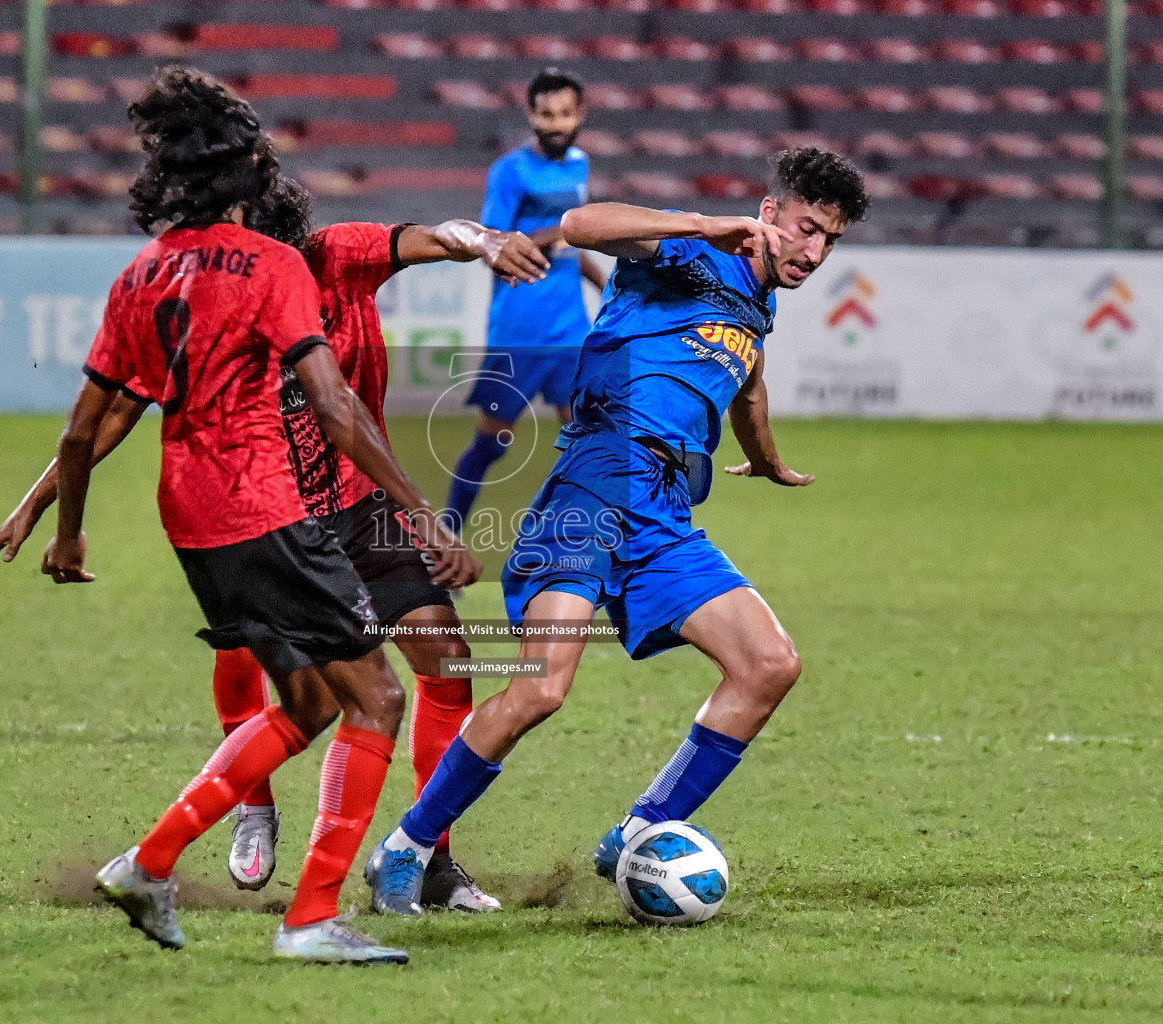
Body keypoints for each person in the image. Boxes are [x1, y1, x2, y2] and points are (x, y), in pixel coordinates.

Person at [0, 175, 549, 914]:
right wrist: (37, 503)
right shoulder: (222, 297)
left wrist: (489, 240)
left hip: (362, 505)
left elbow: (439, 234)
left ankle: (429, 857)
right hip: (268, 518)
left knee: (443, 665)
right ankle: (257, 815)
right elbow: (108, 416)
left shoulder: (339, 256)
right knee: (288, 687)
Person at [31, 66, 477, 964]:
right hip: (268, 510)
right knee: (379, 698)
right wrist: (421, 515)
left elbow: (84, 432)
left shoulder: (142, 277)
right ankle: (312, 919)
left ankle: (149, 864)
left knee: (311, 700)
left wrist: (65, 527)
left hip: (190, 523)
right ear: (249, 176)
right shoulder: (276, 267)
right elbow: (338, 408)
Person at [364, 147, 871, 915]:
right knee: (541, 688)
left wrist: (766, 461)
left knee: (768, 663)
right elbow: (579, 224)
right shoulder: (691, 247)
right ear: (768, 212)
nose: (814, 252)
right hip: (594, 488)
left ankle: (641, 830)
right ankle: (406, 849)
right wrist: (704, 222)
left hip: (665, 517)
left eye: (829, 241)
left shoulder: (756, 308)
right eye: (805, 228)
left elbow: (749, 384)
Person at [443, 67, 609, 527]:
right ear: (531, 116)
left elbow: (572, 249)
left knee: (587, 444)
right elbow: (488, 247)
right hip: (519, 330)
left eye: (565, 113)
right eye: (547, 114)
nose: (556, 123)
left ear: (581, 114)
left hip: (571, 330)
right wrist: (562, 230)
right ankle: (444, 543)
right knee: (492, 443)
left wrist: (604, 284)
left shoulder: (579, 163)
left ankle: (589, 553)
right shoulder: (510, 171)